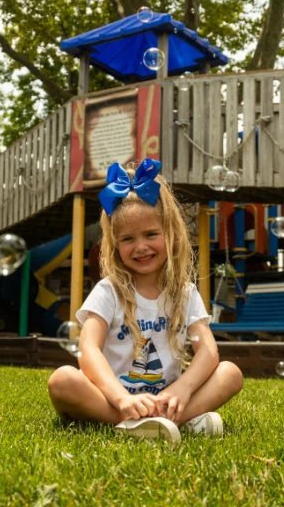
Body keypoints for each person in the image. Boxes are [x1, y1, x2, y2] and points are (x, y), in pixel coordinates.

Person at [48, 159, 243, 442]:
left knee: (231, 373)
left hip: (165, 398)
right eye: (127, 239)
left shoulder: (185, 292)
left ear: (171, 235)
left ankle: (161, 420)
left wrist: (182, 389)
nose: (140, 247)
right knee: (63, 381)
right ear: (114, 245)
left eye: (151, 234)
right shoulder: (108, 291)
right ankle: (144, 421)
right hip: (113, 398)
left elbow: (208, 353)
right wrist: (120, 398)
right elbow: (88, 349)